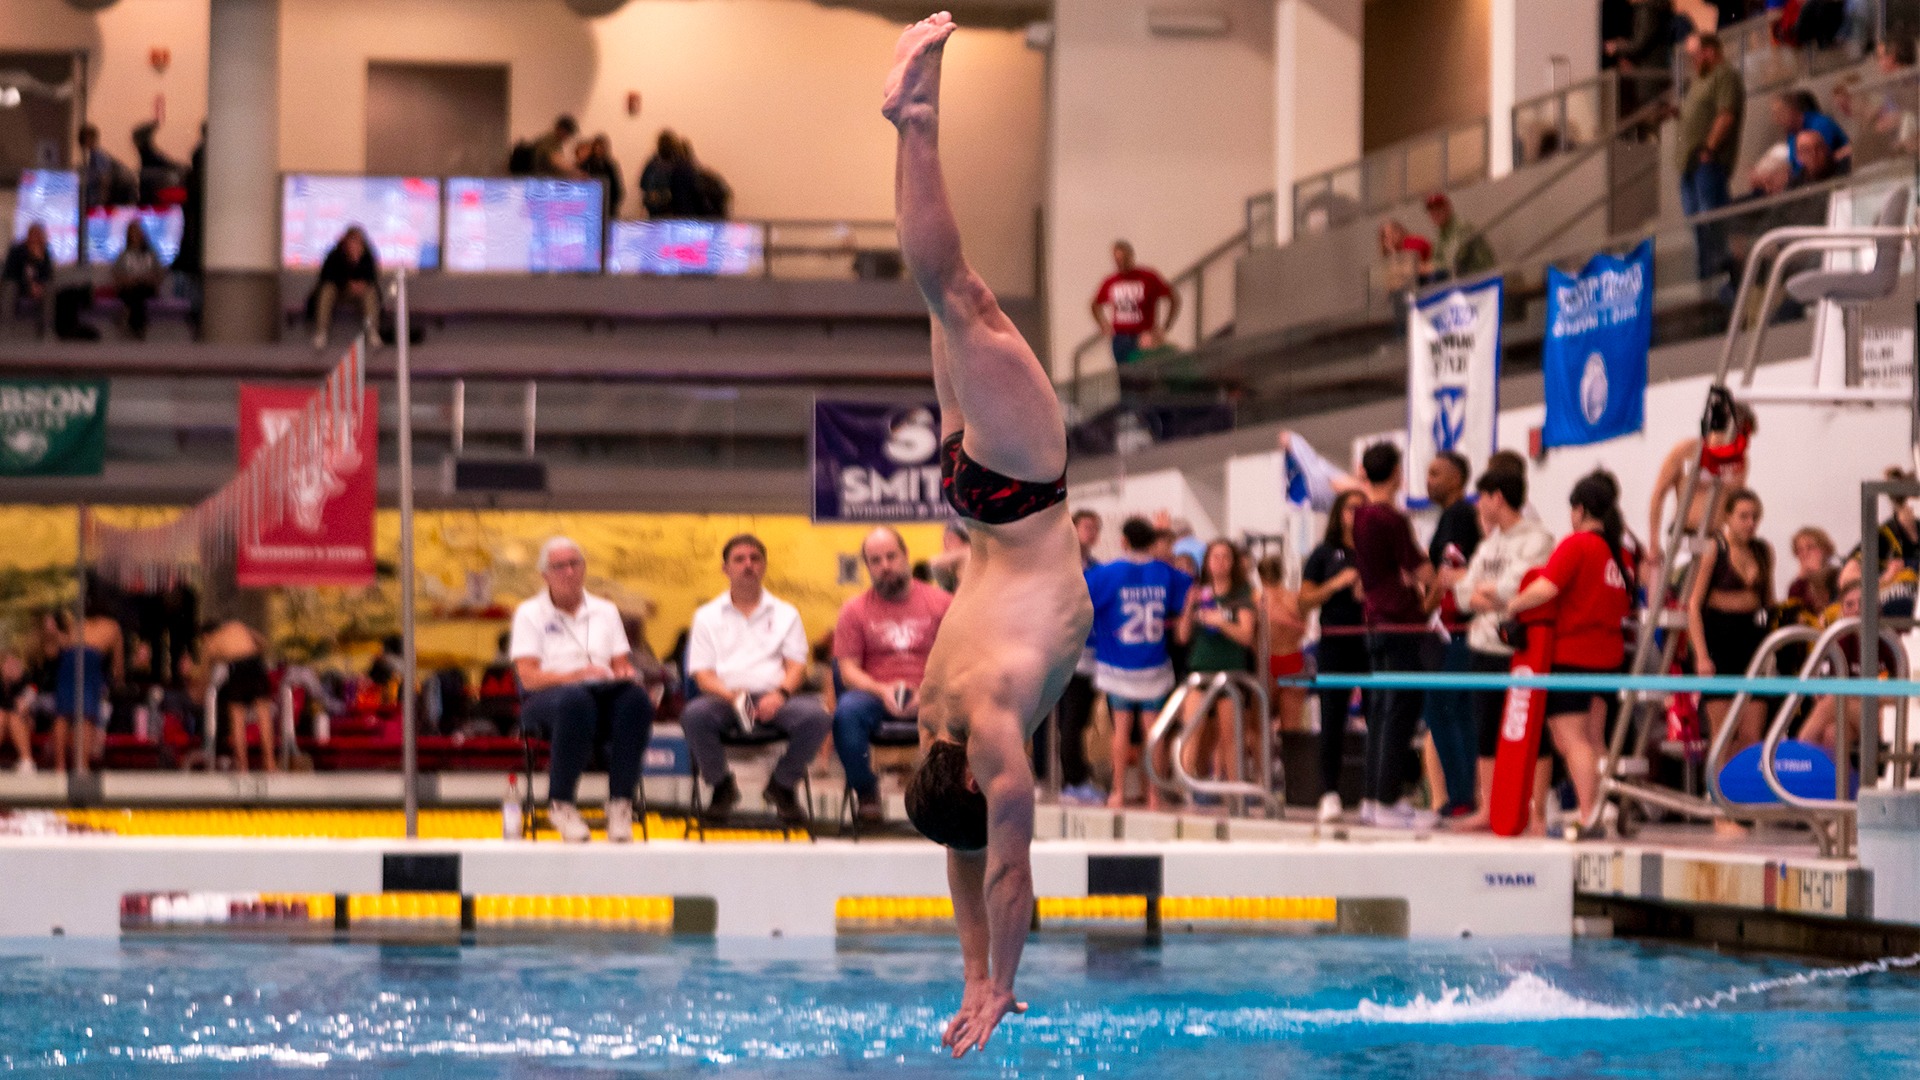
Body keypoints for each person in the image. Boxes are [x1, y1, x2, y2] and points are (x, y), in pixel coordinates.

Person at [886, 15, 1096, 1056]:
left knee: (956, 293)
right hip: (975, 502)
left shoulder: (993, 725)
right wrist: (972, 973)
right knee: (944, 301)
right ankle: (915, 123)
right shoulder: (936, 728)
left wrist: (1000, 983)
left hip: (1019, 497)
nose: (1000, 805)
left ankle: (916, 121)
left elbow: (1005, 866)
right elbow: (966, 853)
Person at [1506, 471, 1636, 836]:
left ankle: (1588, 811)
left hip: (1573, 656)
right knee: (1596, 739)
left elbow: (1547, 588)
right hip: (1609, 658)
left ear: (1578, 510)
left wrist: (1511, 605)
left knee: (1571, 739)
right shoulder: (1617, 552)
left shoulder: (1577, 544)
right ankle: (1604, 808)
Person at [509, 537, 656, 842]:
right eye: (559, 566)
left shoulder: (605, 611)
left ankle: (620, 804)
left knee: (636, 700)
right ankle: (561, 803)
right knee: (576, 700)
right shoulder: (529, 613)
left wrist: (625, 673)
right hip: (547, 699)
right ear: (545, 575)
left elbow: (619, 664)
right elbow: (529, 678)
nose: (569, 572)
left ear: (584, 569)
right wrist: (575, 675)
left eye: (574, 564)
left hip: (600, 693)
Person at [680, 534, 832, 825]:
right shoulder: (706, 616)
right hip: (724, 699)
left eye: (755, 558)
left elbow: (797, 666)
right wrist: (732, 696)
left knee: (817, 717)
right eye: (739, 559)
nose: (748, 565)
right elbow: (702, 675)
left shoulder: (786, 613)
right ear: (725, 568)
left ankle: (783, 785)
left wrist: (780, 695)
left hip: (774, 699)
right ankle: (721, 786)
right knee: (694, 715)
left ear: (764, 566)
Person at [1449, 464, 1555, 831]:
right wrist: (1487, 595)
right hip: (1483, 646)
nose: (1478, 504)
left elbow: (1518, 588)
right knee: (1486, 729)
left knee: (1533, 731)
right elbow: (1463, 594)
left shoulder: (1537, 537)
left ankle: (1536, 810)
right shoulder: (1490, 543)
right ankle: (1488, 808)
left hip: (1520, 650)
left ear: (1497, 497)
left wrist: (1490, 594)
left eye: (1482, 497)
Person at [833, 527, 953, 824]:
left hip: (931, 696)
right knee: (846, 713)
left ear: (905, 556)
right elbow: (847, 670)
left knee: (969, 707)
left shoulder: (942, 604)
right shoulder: (853, 610)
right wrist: (882, 690)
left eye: (891, 556)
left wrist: (926, 692)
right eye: (875, 560)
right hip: (875, 697)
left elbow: (957, 662)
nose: (885, 565)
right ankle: (867, 793)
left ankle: (945, 798)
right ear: (868, 567)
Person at [1350, 442, 1437, 828]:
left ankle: (1374, 796)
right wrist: (1437, 582)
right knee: (1398, 710)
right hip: (1399, 620)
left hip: (1375, 619)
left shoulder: (1360, 515)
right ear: (1398, 473)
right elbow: (1420, 569)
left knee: (1382, 711)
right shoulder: (1390, 518)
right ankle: (1386, 798)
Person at [1085, 517, 1190, 809]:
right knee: (1152, 731)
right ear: (1152, 542)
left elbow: (1081, 598)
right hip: (1154, 662)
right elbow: (1189, 586)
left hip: (1117, 662)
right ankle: (1153, 794)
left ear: (1124, 541)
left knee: (1121, 730)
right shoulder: (1166, 573)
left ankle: (1117, 792)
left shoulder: (1107, 573)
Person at [1686, 490, 1775, 795]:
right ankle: (1718, 799)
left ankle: (1742, 795)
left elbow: (1769, 602)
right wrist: (1700, 655)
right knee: (1724, 733)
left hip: (1752, 643)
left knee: (1752, 734)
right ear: (1727, 517)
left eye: (1755, 517)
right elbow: (1693, 605)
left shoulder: (1763, 553)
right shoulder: (1715, 550)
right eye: (1743, 517)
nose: (1750, 524)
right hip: (1719, 643)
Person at [1301, 490, 1369, 823]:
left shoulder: (1373, 551)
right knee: (1332, 718)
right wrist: (1337, 583)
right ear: (1339, 514)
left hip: (1371, 643)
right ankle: (1329, 792)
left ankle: (1376, 793)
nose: (1356, 514)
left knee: (1378, 716)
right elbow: (1304, 601)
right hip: (1335, 642)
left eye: (1362, 508)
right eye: (1350, 509)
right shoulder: (1323, 554)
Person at [1423, 450, 1483, 817]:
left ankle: (1463, 796)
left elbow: (1448, 574)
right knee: (1448, 710)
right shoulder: (1448, 517)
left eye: (1436, 474)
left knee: (1444, 708)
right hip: (1449, 632)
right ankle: (1461, 795)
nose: (1428, 480)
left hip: (1463, 628)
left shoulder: (1459, 515)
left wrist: (1425, 603)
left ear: (1457, 480)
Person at [1177, 539, 1257, 788]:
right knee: (1191, 731)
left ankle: (1235, 790)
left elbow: (1246, 636)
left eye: (1225, 557)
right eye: (1215, 557)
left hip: (1231, 673)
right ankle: (1185, 787)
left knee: (1230, 737)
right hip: (1200, 669)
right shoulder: (1198, 593)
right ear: (1207, 562)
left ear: (1233, 563)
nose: (1220, 563)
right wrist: (1189, 607)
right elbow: (1182, 636)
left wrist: (1220, 622)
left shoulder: (1241, 596)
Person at [1646, 403, 1755, 578]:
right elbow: (1658, 495)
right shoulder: (1685, 451)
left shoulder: (1739, 462)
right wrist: (1653, 543)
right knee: (1681, 594)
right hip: (1684, 537)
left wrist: (1740, 546)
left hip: (1715, 540)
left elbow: (1739, 505)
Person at [1043, 509, 1104, 804]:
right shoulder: (1054, 567)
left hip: (1088, 657)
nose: (1090, 533)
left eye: (1095, 528)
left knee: (1076, 721)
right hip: (1058, 655)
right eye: (1086, 526)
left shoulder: (1098, 570)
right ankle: (1070, 778)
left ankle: (1074, 775)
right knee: (1061, 720)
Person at [1676, 33, 1745, 281]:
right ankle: (1706, 277)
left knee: (1711, 222)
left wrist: (1710, 148)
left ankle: (1720, 278)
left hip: (1708, 163)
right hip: (1689, 163)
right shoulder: (1698, 80)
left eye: (1694, 54)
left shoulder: (1724, 75)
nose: (1691, 60)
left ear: (1710, 51)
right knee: (1697, 224)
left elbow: (1726, 114)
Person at [194, 618, 275, 774]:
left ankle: (243, 767)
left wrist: (198, 696)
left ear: (204, 636)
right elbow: (262, 642)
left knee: (237, 720)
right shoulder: (236, 626)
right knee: (264, 718)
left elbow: (203, 676)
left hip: (236, 668)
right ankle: (270, 763)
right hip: (255, 664)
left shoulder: (209, 644)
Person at [52, 600, 123, 774]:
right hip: (90, 663)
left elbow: (61, 646)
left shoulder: (75, 624)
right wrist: (117, 682)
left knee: (63, 714)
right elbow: (118, 666)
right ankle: (82, 765)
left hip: (69, 661)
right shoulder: (112, 626)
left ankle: (59, 765)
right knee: (86, 715)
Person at [1091, 240, 1177, 367]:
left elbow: (1173, 299)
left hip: (1143, 336)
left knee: (1143, 375)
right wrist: (1104, 325)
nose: (1120, 264)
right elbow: (1095, 304)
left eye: (1123, 259)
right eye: (1117, 260)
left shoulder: (1148, 277)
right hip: (1120, 337)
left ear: (1131, 256)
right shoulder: (1111, 281)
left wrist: (1165, 326)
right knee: (1124, 375)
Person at [1258, 553, 1308, 736]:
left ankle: (1263, 765)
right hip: (1293, 659)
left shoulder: (1257, 598)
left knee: (1259, 730)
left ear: (1260, 575)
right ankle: (1292, 765)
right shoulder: (1295, 599)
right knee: (1292, 731)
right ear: (1282, 573)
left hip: (1266, 663)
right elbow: (1304, 630)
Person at [309, 226, 380, 350]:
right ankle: (321, 333)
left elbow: (372, 277)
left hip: (359, 294)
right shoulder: (335, 255)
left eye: (358, 242)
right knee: (327, 290)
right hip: (339, 291)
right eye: (352, 241)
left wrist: (361, 283)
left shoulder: (367, 256)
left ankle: (372, 332)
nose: (355, 245)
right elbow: (326, 277)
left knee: (370, 292)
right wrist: (347, 283)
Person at [112, 219, 165, 340]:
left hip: (146, 287)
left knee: (138, 292)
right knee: (135, 293)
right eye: (133, 234)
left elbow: (160, 274)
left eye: (137, 233)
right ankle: (138, 327)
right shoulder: (124, 255)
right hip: (129, 288)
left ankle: (131, 321)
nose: (136, 236)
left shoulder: (151, 254)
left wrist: (149, 279)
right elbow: (117, 276)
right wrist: (128, 280)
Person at [1425, 193, 1496, 281]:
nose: (1435, 213)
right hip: (1465, 283)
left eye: (1439, 208)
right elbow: (1435, 260)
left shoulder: (1462, 228)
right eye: (1431, 210)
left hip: (1485, 281)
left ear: (1448, 208)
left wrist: (1427, 268)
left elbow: (1453, 261)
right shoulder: (1440, 235)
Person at [2, 224, 55, 329]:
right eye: (33, 235)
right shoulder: (17, 250)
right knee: (10, 287)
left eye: (38, 236)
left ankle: (46, 324)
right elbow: (10, 273)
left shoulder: (45, 252)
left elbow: (47, 274)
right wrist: (29, 285)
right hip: (19, 283)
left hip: (38, 285)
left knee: (49, 288)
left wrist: (38, 260)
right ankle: (6, 324)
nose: (35, 239)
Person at [576, 133, 625, 222]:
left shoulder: (609, 164)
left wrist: (614, 203)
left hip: (608, 205)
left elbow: (616, 185)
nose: (599, 150)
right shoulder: (586, 164)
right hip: (590, 205)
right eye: (597, 147)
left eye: (602, 147)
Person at [1, 652, 35, 774]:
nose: (11, 667)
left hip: (25, 722)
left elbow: (27, 702)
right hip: (3, 722)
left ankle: (27, 761)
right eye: (7, 664)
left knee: (14, 717)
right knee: (1, 717)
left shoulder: (28, 683)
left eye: (15, 664)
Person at [1377, 219, 1432, 292]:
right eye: (1385, 236)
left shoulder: (1412, 242)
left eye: (1392, 233)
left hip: (1430, 282)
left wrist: (1393, 254)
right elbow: (1391, 284)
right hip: (1418, 286)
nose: (1389, 238)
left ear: (1400, 231)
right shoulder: (1395, 251)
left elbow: (1410, 271)